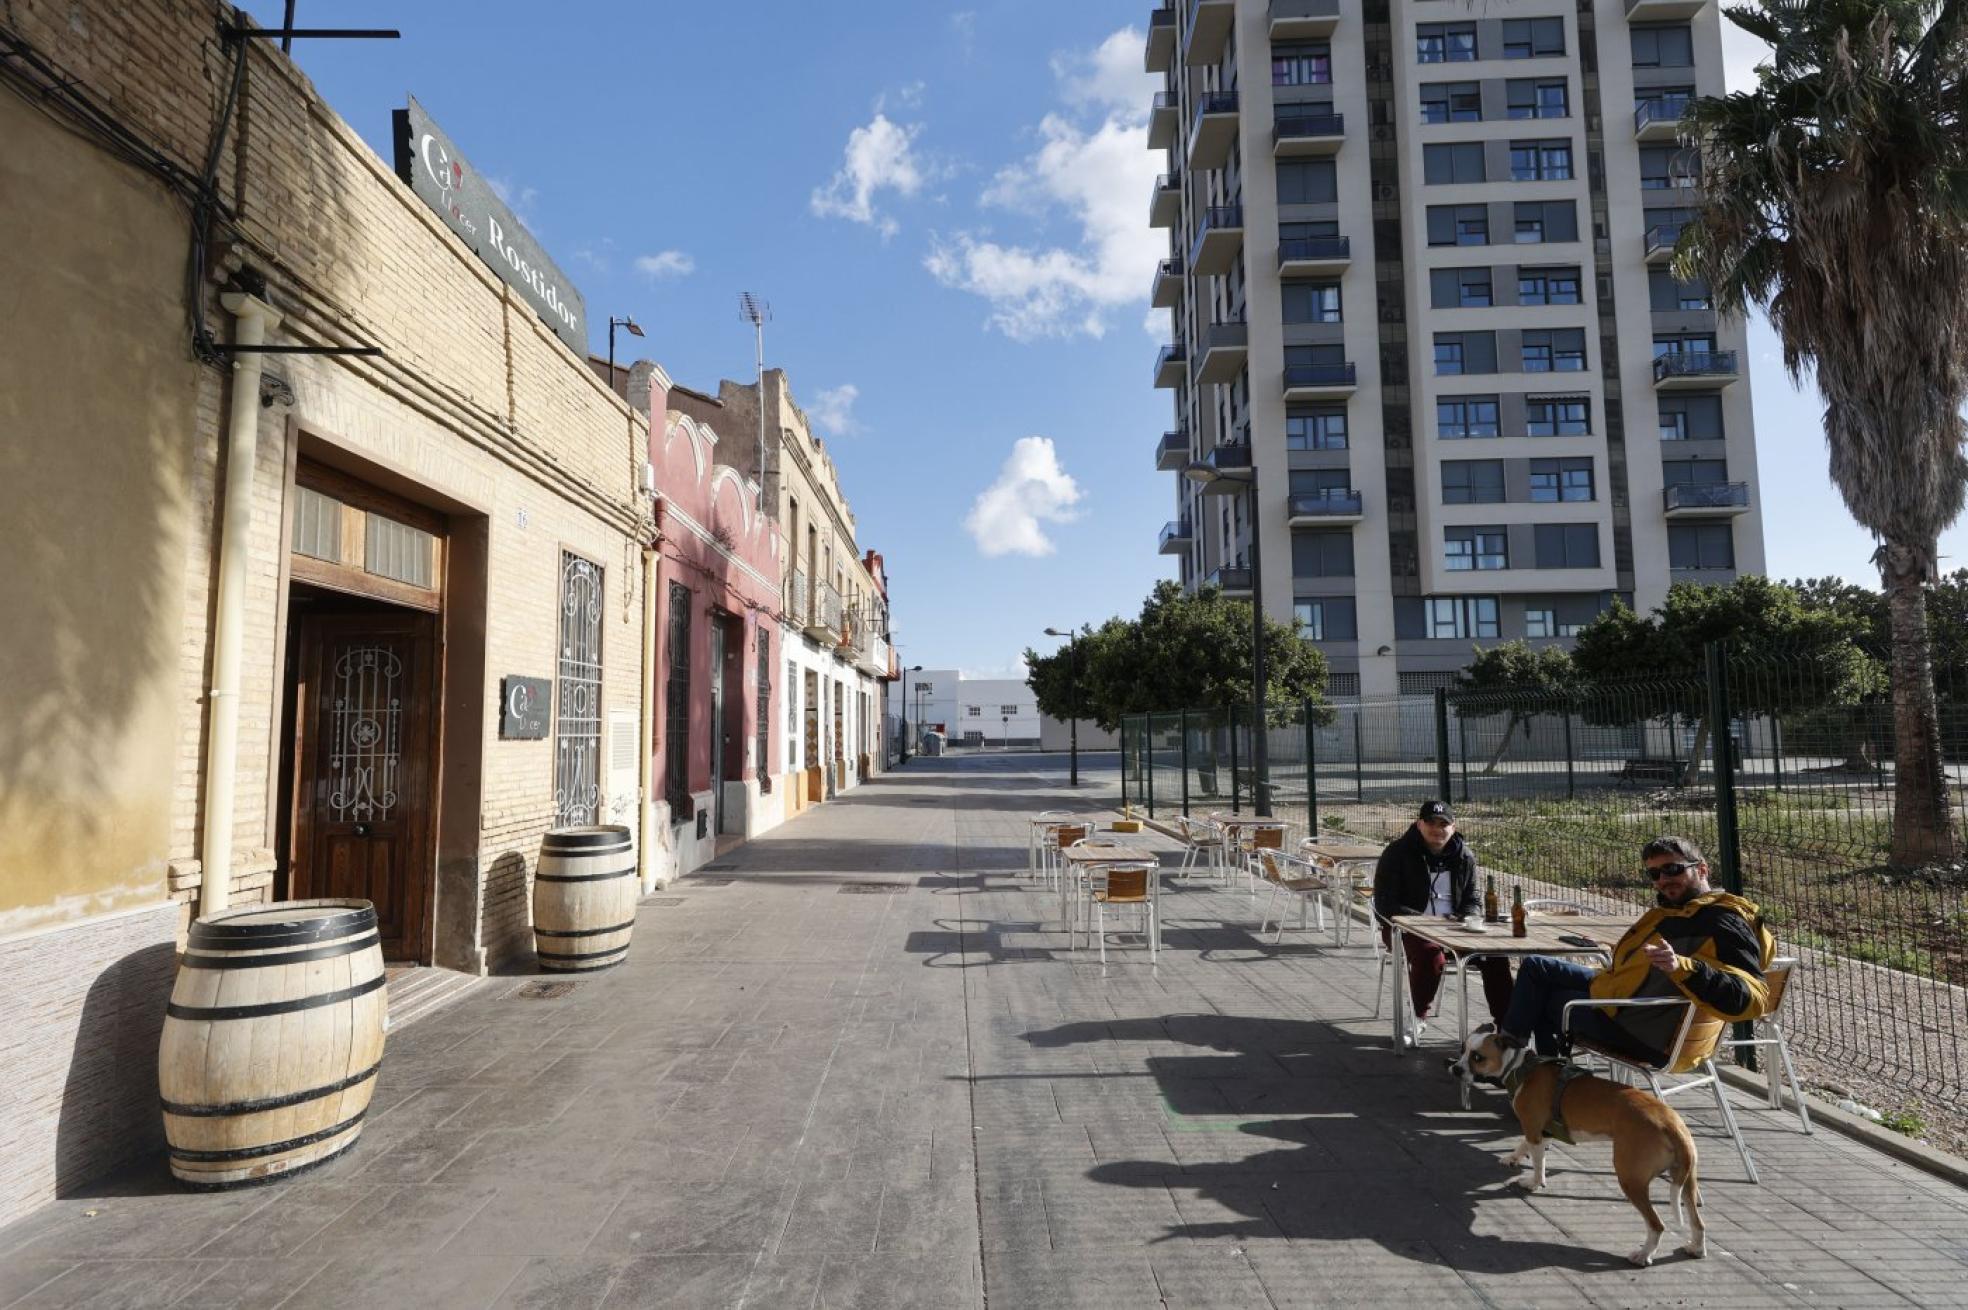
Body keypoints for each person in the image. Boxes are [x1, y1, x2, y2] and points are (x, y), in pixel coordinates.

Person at [1500, 835, 1774, 1065]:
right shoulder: (1680, 911)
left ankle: (1529, 1075)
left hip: (1644, 1031)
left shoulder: (1720, 922)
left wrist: (1683, 968)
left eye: (1672, 869)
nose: (1663, 880)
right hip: (1628, 998)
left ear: (1701, 870)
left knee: (1544, 1000)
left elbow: (1753, 999)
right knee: (1537, 966)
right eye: (1654, 874)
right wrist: (1621, 953)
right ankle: (1515, 1057)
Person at [1374, 801, 1514, 1044]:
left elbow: (1472, 899)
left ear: (1453, 827)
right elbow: (1385, 903)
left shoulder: (1464, 856)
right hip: (1405, 928)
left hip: (1455, 930)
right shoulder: (1397, 853)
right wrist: (1423, 921)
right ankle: (1417, 1018)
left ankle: (1508, 1028)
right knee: (1430, 956)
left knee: (1496, 956)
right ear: (1419, 824)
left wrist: (1468, 917)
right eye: (1431, 823)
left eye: (1443, 824)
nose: (1437, 829)